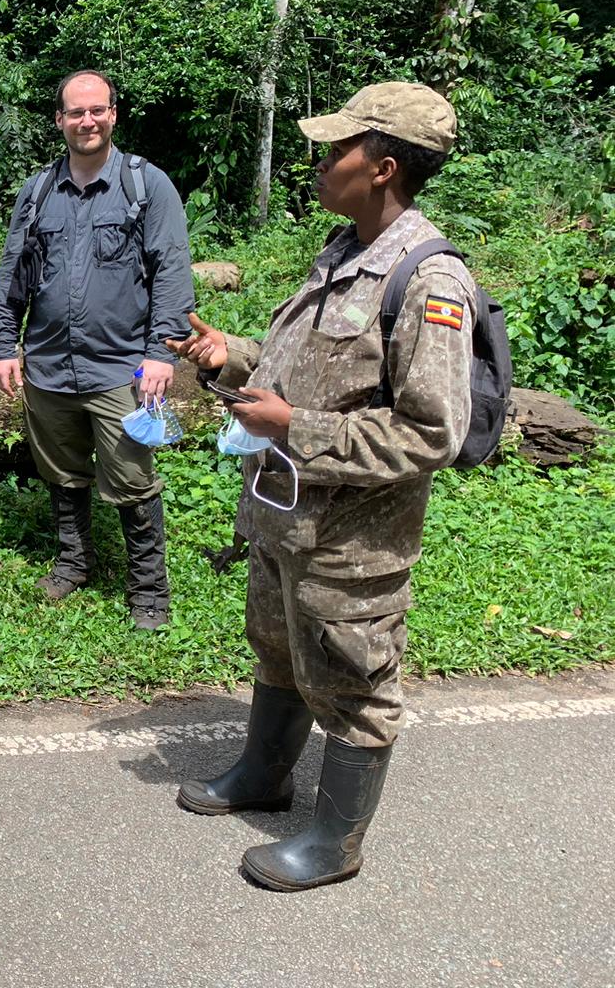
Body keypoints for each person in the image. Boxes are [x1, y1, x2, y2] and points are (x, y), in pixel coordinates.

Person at [169, 82, 475, 891]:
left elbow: (431, 432)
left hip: (352, 542)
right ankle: (264, 775)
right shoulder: (343, 252)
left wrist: (293, 428)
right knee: (278, 649)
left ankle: (335, 843)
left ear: (382, 166)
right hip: (284, 518)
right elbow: (309, 371)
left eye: (336, 147)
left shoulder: (429, 280)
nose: (321, 159)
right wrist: (229, 356)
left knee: (353, 680)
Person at [0, 69, 194, 629]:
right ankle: (74, 562)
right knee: (63, 473)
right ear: (59, 120)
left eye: (97, 110)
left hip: (119, 368)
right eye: (75, 112)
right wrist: (4, 345)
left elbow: (171, 273)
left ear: (113, 114)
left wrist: (161, 352)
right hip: (49, 366)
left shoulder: (146, 187)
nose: (87, 121)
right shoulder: (37, 193)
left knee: (132, 480)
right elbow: (13, 275)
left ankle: (149, 590)